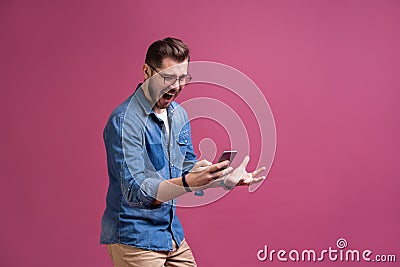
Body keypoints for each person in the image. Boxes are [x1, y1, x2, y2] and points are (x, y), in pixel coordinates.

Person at [100, 37, 266, 267]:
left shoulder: (178, 115)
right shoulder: (124, 121)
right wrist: (188, 182)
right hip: (134, 237)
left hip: (170, 233)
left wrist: (222, 179)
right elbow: (136, 193)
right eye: (168, 77)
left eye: (182, 78)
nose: (176, 86)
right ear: (147, 71)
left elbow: (187, 167)